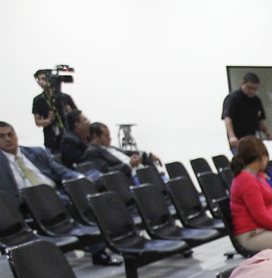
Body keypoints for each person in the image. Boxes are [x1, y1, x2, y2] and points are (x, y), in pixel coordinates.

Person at [0, 121, 120, 266]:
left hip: (55, 194)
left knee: (87, 195)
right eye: (1, 136)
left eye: (10, 134)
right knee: (71, 202)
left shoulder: (36, 152)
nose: (7, 139)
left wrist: (80, 178)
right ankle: (100, 248)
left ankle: (104, 246)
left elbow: (62, 171)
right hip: (26, 206)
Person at [229, 136, 272, 252]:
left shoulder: (259, 176)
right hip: (253, 234)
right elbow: (260, 216)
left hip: (266, 230)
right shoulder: (246, 179)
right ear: (261, 157)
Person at [84, 122, 157, 178]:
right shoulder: (92, 152)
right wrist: (129, 165)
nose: (110, 138)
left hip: (142, 171)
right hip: (129, 177)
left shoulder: (112, 148)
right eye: (106, 136)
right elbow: (106, 172)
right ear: (95, 136)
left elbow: (129, 153)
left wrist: (148, 155)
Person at [222, 72, 272, 150]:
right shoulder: (233, 98)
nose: (252, 91)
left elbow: (259, 120)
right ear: (242, 83)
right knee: (244, 159)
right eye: (249, 88)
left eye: (255, 89)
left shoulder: (256, 100)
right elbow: (228, 118)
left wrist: (266, 132)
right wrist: (232, 136)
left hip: (252, 138)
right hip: (238, 139)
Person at [32, 68, 77, 151]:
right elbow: (37, 122)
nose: (41, 82)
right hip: (51, 139)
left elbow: (77, 116)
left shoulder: (65, 97)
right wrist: (48, 120)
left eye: (44, 79)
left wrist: (69, 113)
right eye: (39, 80)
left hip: (69, 135)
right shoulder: (38, 100)